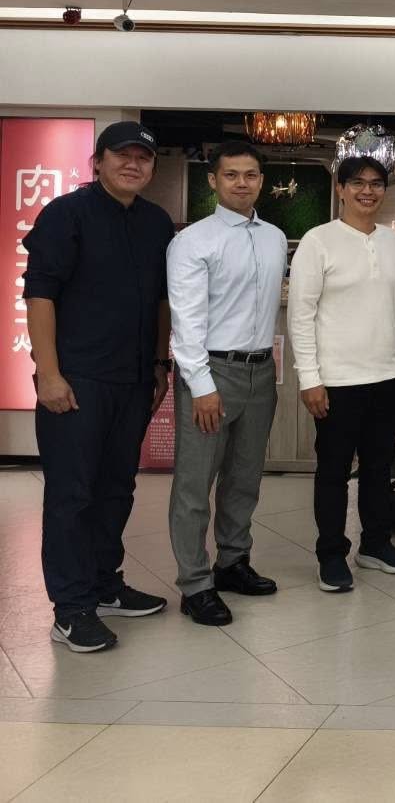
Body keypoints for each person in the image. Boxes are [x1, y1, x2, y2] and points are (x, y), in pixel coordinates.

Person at [23, 121, 174, 652]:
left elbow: (160, 301)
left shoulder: (156, 223)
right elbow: (40, 296)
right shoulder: (66, 215)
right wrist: (49, 373)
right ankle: (70, 608)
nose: (133, 164)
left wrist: (159, 364)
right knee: (72, 495)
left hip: (132, 381)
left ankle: (105, 584)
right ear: (98, 161)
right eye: (122, 155)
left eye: (143, 158)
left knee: (117, 488)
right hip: (77, 381)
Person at [166, 141, 287, 626]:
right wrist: (201, 385)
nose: (242, 182)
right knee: (195, 484)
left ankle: (232, 562)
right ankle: (195, 583)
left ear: (261, 181)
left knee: (244, 477)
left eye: (251, 174)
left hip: (262, 370)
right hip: (212, 372)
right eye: (231, 174)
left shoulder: (275, 237)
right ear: (213, 180)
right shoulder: (193, 241)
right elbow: (186, 319)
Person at [288, 156, 395, 592]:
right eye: (357, 183)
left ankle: (375, 545)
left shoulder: (392, 242)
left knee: (379, 467)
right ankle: (331, 554)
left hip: (386, 377)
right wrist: (310, 378)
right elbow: (301, 316)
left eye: (376, 184)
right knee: (334, 471)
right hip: (337, 381)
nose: (367, 191)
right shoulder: (318, 241)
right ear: (340, 189)